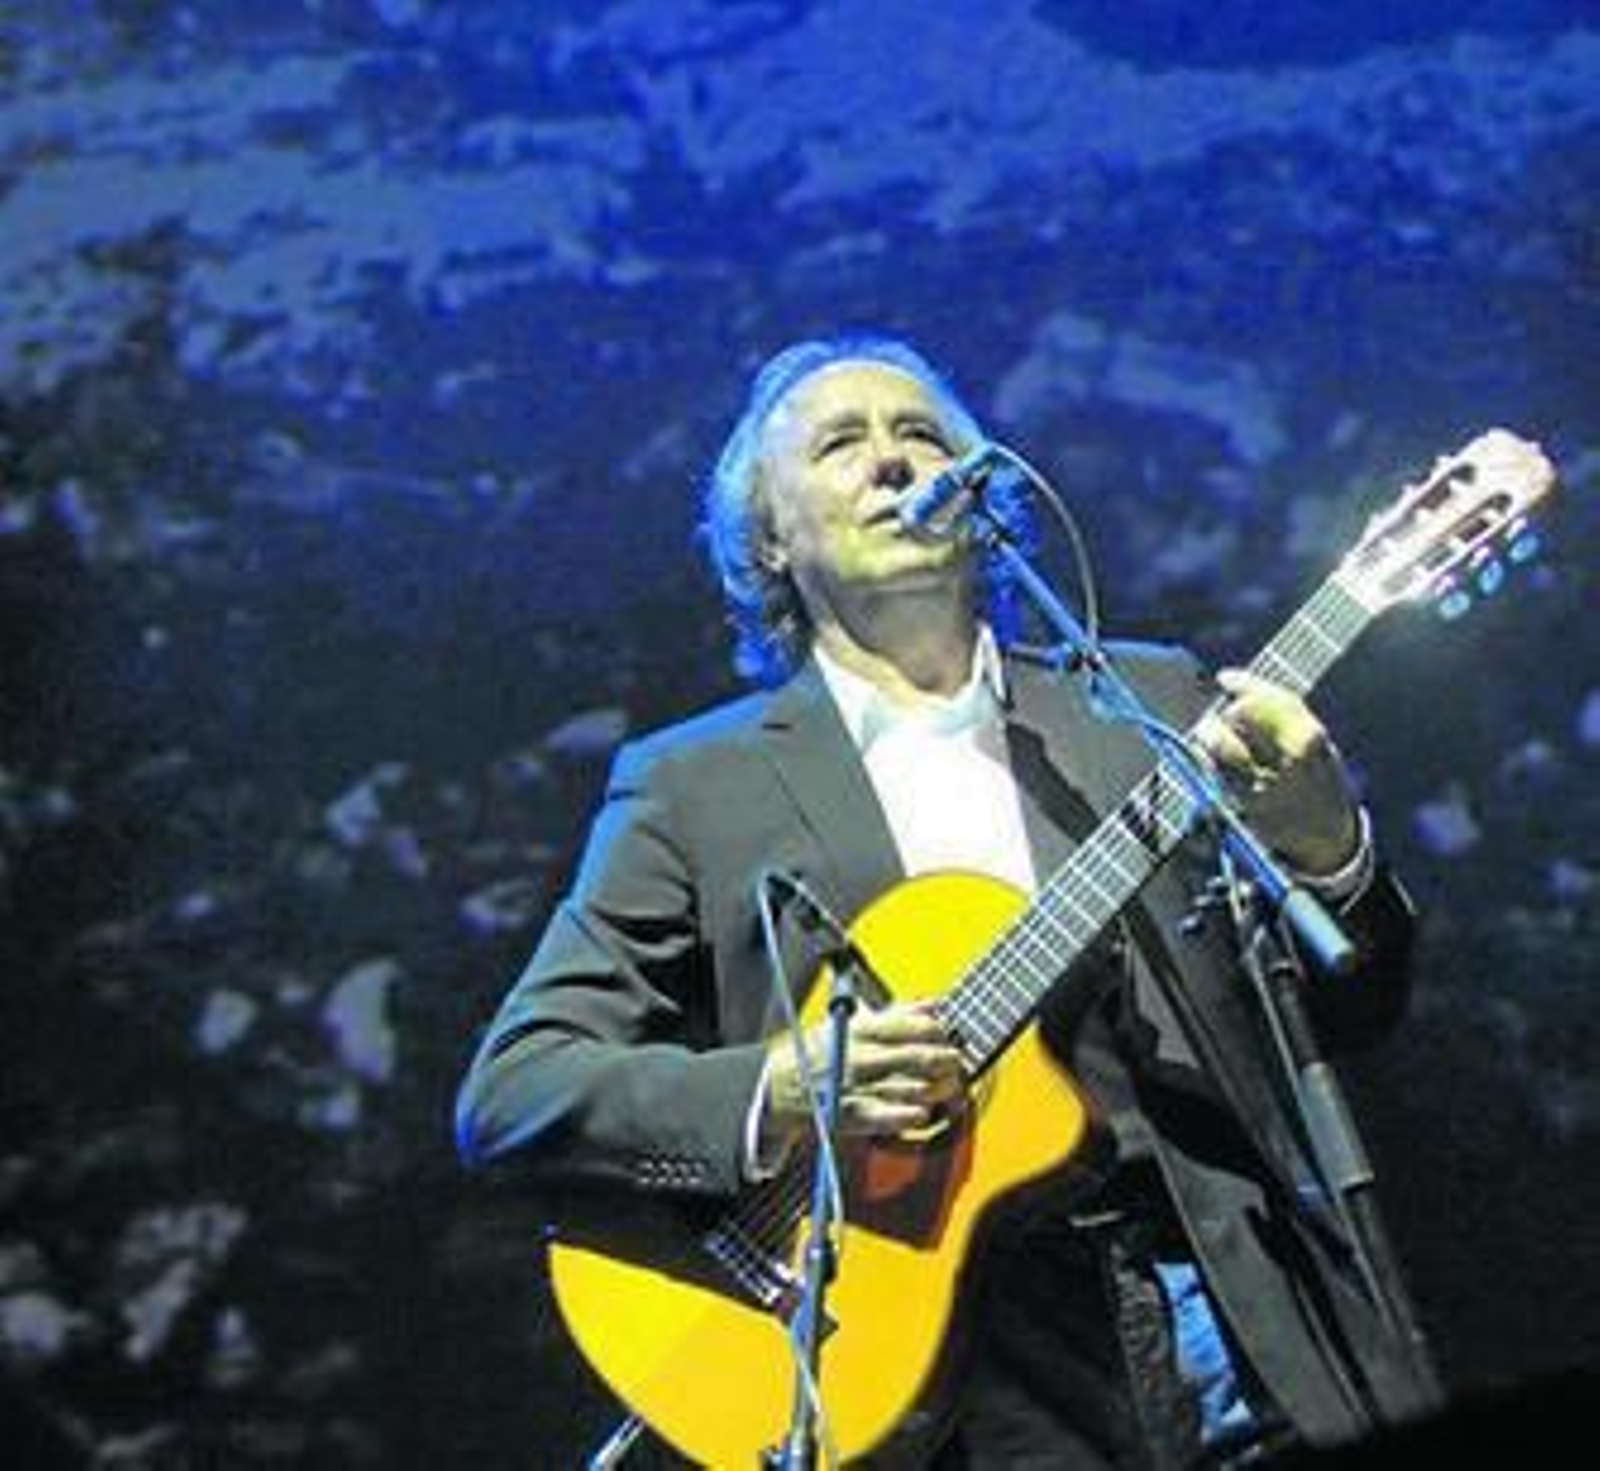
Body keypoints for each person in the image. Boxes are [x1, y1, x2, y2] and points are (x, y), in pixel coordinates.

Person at [454, 333, 1442, 1468]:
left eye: (920, 432)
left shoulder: (1146, 707)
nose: (891, 459)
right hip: (934, 1373)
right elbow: (515, 1090)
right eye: (840, 443)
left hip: (1215, 1306)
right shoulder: (695, 786)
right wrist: (778, 1089)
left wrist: (1325, 846)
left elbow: (1350, 1014)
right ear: (770, 537)